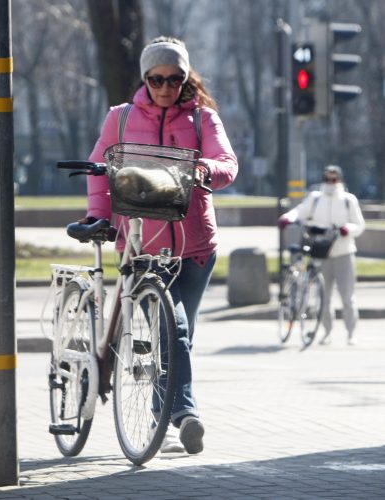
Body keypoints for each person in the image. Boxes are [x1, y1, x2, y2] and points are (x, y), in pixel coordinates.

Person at [82, 36, 238, 454]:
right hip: (144, 244)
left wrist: (205, 168)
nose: (165, 87)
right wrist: (99, 216)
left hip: (196, 245)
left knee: (177, 334)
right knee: (178, 327)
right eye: (156, 79)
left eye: (174, 79)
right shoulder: (119, 118)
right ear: (144, 78)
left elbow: (228, 163)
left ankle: (158, 419)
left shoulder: (203, 120)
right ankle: (184, 415)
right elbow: (99, 171)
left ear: (185, 78)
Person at [278, 165, 365, 346]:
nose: (330, 183)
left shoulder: (348, 200)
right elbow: (300, 211)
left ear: (340, 180)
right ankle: (326, 332)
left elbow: (359, 225)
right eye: (327, 179)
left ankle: (351, 333)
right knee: (323, 297)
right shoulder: (316, 198)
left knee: (347, 296)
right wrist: (288, 217)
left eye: (334, 179)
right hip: (321, 252)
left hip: (344, 252)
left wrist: (347, 229)